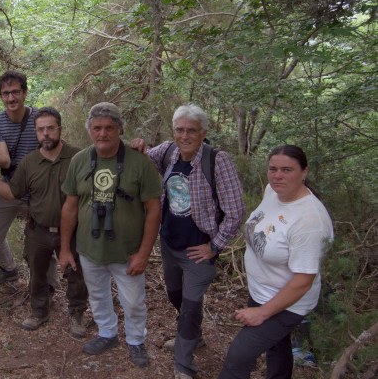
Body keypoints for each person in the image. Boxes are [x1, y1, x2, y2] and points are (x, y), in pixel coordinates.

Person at [133, 103, 246, 379]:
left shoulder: (216, 160)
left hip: (199, 250)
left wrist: (215, 246)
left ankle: (183, 365)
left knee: (192, 304)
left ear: (203, 132)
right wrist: (137, 148)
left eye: (191, 131)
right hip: (170, 243)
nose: (184, 136)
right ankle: (195, 335)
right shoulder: (169, 151)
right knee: (176, 296)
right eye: (180, 130)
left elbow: (236, 211)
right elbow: (145, 158)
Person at [59, 102, 162, 367]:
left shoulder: (139, 161)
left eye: (108, 128)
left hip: (127, 251)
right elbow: (70, 207)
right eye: (97, 128)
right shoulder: (80, 160)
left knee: (134, 301)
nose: (102, 134)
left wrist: (143, 254)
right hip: (89, 248)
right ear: (90, 130)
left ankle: (136, 339)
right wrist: (65, 249)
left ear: (119, 129)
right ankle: (107, 333)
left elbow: (153, 210)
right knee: (98, 295)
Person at [218, 145, 333, 379]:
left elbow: (303, 281)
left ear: (304, 172)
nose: (278, 175)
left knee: (238, 357)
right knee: (277, 347)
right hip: (262, 291)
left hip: (287, 303)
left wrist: (262, 313)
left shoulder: (310, 220)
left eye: (287, 169)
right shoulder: (273, 191)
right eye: (273, 169)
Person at [0, 107, 89, 337]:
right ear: (36, 132)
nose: (46, 134)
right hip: (38, 230)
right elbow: (12, 193)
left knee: (76, 274)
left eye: (51, 128)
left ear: (60, 129)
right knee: (37, 273)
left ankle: (77, 313)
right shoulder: (29, 162)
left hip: (72, 231)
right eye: (41, 130)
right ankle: (39, 311)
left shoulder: (78, 157)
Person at [0, 71, 59, 288]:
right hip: (10, 188)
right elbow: (5, 161)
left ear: (25, 93)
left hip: (38, 191)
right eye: (6, 94)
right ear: (0, 97)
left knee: (44, 241)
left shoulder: (40, 120)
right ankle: (9, 269)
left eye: (15, 92)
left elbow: (51, 151)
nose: (11, 98)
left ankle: (50, 287)